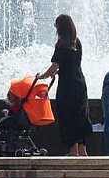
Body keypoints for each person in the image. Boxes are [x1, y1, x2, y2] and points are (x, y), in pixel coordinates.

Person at [38, 14, 92, 156]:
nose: (55, 28)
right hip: (80, 82)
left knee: (66, 113)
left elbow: (55, 65)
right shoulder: (77, 42)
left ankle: (73, 149)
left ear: (60, 27)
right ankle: (83, 149)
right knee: (80, 114)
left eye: (56, 25)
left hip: (67, 85)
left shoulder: (61, 44)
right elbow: (71, 63)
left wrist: (42, 76)